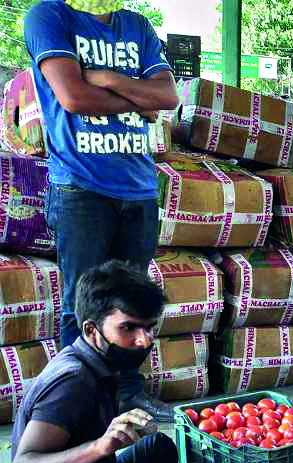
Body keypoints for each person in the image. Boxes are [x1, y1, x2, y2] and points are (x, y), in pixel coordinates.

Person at [24, 0, 179, 421]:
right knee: (82, 302)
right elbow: (73, 97)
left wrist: (107, 78)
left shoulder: (137, 26)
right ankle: (76, 405)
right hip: (81, 187)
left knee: (133, 304)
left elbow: (167, 96)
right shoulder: (49, 17)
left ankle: (129, 395)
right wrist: (135, 96)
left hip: (139, 188)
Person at [10, 260, 176, 463]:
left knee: (160, 446)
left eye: (149, 327)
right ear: (91, 330)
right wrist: (100, 446)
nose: (145, 341)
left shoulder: (101, 363)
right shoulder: (74, 382)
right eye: (128, 328)